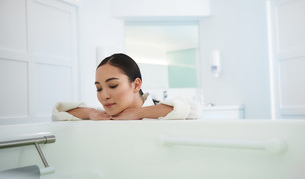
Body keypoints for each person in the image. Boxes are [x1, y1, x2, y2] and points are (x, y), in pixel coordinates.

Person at [52, 53, 200, 120]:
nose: (104, 96)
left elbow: (193, 110)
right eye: (99, 88)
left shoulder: (160, 111)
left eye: (113, 85)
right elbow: (58, 113)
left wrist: (138, 113)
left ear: (136, 85)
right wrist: (91, 113)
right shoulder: (106, 116)